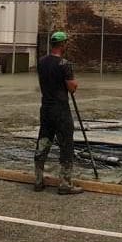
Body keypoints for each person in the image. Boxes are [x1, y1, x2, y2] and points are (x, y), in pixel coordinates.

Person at [33, 31, 83, 195]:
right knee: (66, 144)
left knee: (43, 141)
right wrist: (74, 84)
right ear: (62, 45)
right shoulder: (64, 64)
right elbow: (71, 87)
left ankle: (38, 180)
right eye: (65, 43)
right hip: (60, 109)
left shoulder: (41, 62)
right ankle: (65, 184)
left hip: (45, 108)